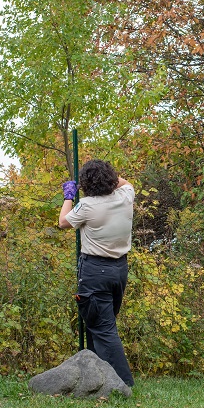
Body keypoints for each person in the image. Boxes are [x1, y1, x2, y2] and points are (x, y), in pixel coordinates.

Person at [59, 159, 136, 387]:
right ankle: (97, 378)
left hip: (95, 271)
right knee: (100, 325)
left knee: (103, 329)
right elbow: (125, 182)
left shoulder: (88, 205)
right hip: (119, 270)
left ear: (85, 184)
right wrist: (111, 179)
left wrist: (68, 196)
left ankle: (124, 383)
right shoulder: (125, 196)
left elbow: (63, 222)